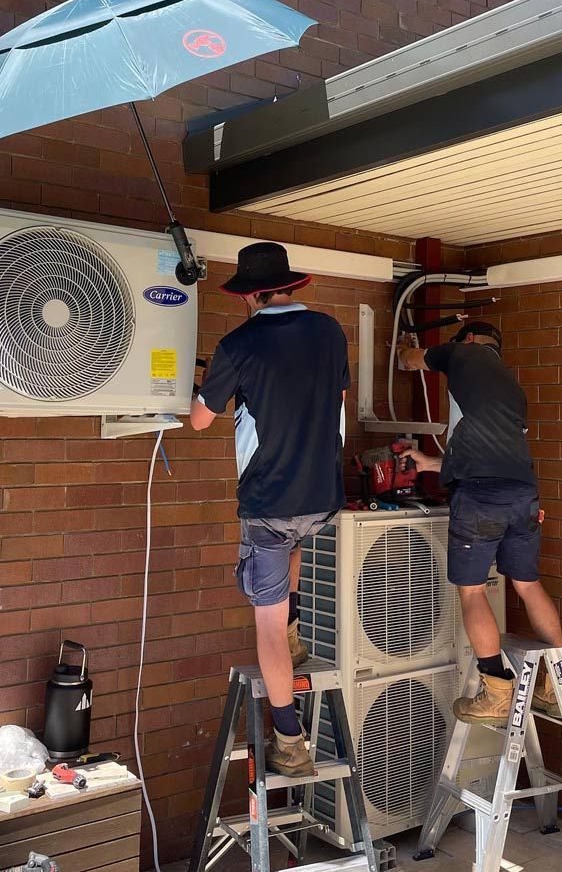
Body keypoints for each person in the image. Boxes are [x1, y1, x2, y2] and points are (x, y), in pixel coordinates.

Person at [190, 242, 350, 776]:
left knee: (265, 621)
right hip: (322, 493)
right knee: (295, 546)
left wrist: (208, 387)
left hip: (270, 500)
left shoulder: (239, 345)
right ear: (288, 287)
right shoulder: (330, 330)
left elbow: (200, 420)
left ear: (251, 296)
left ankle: (290, 740)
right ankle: (296, 636)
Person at [397, 320, 562, 724]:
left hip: (481, 499)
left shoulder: (462, 353)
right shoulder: (512, 388)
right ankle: (554, 681)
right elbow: (493, 457)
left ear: (470, 340)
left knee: (473, 591)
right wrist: (431, 463)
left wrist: (406, 347)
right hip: (523, 493)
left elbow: (409, 362)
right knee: (527, 584)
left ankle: (495, 690)